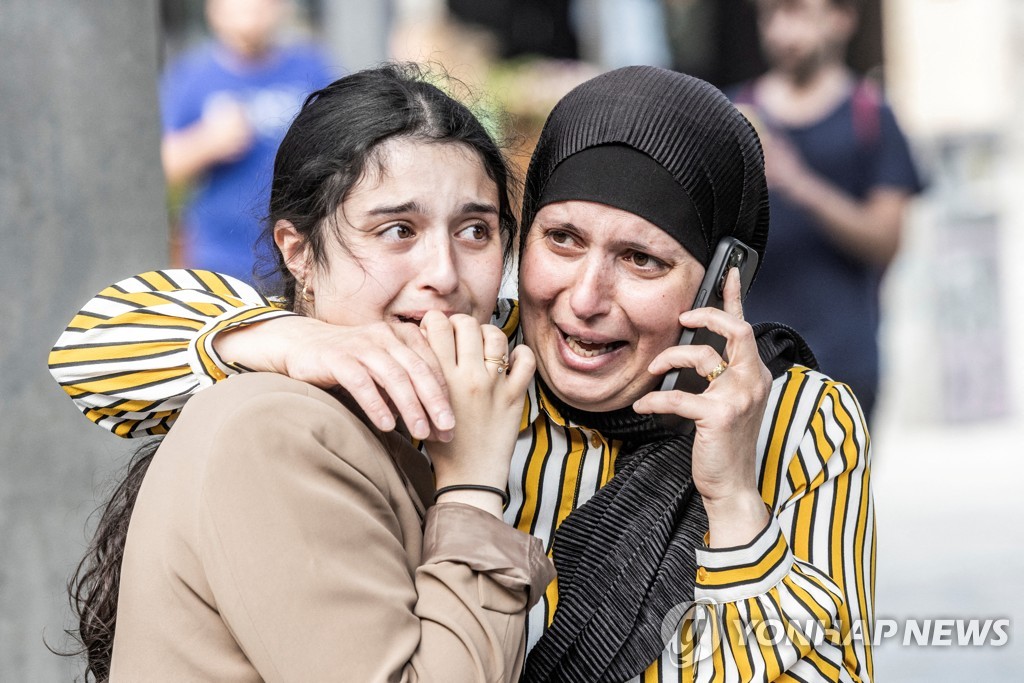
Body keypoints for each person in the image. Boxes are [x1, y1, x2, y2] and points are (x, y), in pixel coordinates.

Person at [53, 66, 874, 681]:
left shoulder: (796, 422)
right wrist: (277, 338)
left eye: (641, 259)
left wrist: (733, 506)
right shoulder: (463, 363)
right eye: (561, 241)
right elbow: (87, 351)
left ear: (720, 278)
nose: (587, 298)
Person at [61, 65, 555, 682]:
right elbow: (89, 343)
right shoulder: (277, 427)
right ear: (298, 252)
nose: (446, 274)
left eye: (475, 230)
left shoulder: (465, 374)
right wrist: (473, 487)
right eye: (397, 230)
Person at [730, 0, 924, 420]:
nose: (781, 31)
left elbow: (887, 241)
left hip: (844, 363)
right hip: (746, 361)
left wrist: (799, 183)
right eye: (771, 15)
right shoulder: (734, 113)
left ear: (841, 19)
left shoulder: (872, 117)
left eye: (797, 13)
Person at [162, 0, 334, 284]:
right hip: (219, 259)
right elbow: (161, 169)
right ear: (213, 10)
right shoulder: (190, 76)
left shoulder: (312, 67)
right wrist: (208, 141)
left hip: (300, 252)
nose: (252, 11)